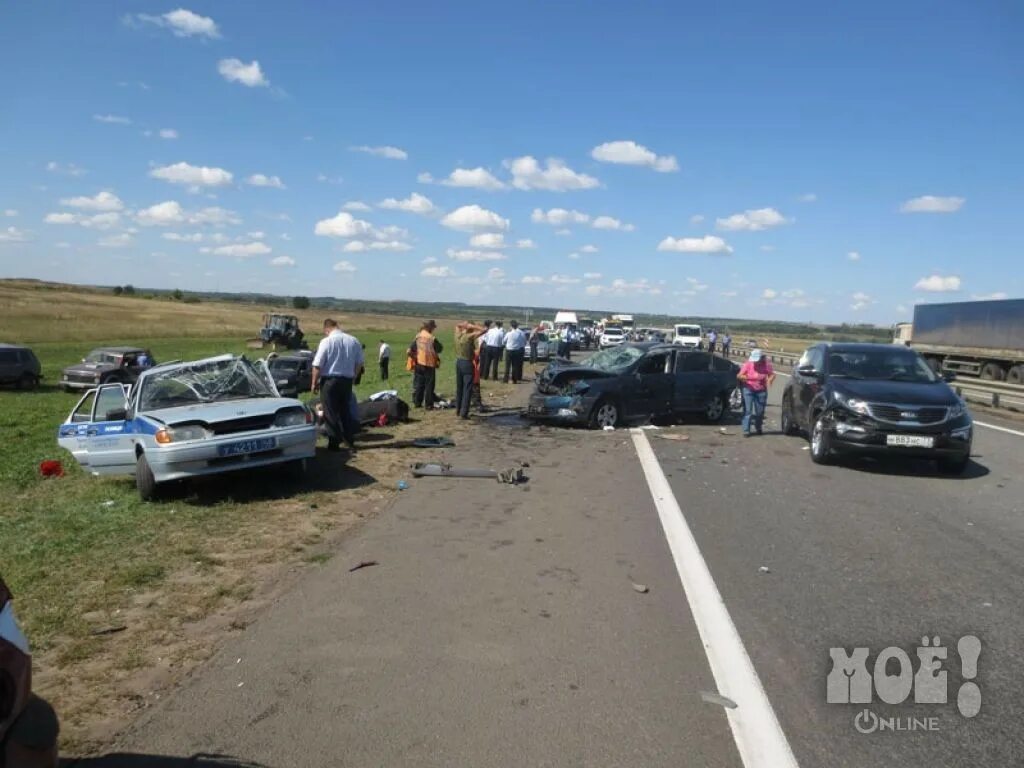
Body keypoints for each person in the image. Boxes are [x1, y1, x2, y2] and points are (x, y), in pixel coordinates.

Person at [311, 318, 364, 452]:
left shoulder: (327, 341)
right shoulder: (353, 340)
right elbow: (359, 363)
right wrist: (353, 377)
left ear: (327, 329)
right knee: (345, 410)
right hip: (346, 380)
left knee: (330, 411)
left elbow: (317, 365)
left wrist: (314, 383)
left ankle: (334, 442)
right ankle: (349, 441)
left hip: (330, 381)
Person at [737, 348, 775, 437]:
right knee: (748, 411)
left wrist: (770, 380)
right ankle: (746, 430)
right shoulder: (748, 364)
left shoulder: (767, 365)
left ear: (762, 358)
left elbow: (772, 374)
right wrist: (743, 377)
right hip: (748, 389)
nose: (755, 362)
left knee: (760, 412)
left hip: (761, 391)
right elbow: (739, 375)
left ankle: (758, 427)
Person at [454, 321, 487, 419]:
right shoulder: (470, 336)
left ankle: (458, 409)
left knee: (459, 388)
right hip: (467, 363)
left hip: (458, 362)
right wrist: (473, 326)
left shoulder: (457, 334)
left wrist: (464, 325)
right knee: (467, 389)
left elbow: (457, 325)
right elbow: (484, 330)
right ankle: (464, 413)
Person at [412, 320, 443, 409]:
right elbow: (440, 348)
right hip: (429, 364)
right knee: (429, 385)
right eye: (433, 327)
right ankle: (428, 405)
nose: (433, 329)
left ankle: (417, 403)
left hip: (419, 363)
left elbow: (410, 350)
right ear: (429, 327)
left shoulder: (418, 336)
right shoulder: (431, 338)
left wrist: (415, 358)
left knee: (419, 384)